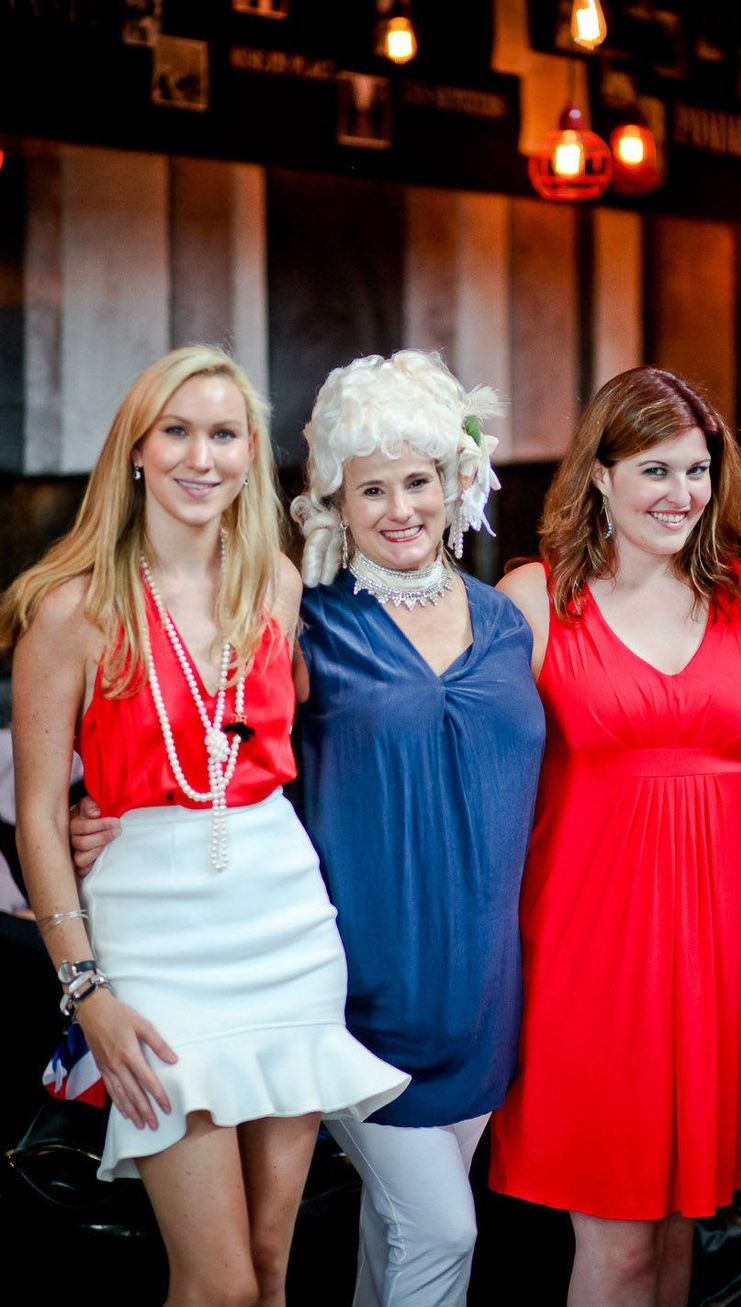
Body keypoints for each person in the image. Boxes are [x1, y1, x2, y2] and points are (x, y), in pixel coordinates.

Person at [73, 348, 546, 1307]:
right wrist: (108, 810)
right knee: (441, 1231)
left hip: (485, 996)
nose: (400, 508)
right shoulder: (304, 619)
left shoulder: (508, 624)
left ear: (457, 482)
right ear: (333, 499)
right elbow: (214, 736)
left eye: (418, 481)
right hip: (348, 989)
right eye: (372, 488)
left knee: (396, 1235)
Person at [1, 345, 408, 1307]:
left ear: (249, 454)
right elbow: (39, 820)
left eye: (224, 434)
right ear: (137, 450)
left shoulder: (275, 583)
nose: (201, 456)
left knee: (269, 1267)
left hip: (285, 918)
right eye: (177, 431)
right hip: (152, 936)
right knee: (217, 1280)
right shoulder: (71, 610)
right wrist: (87, 992)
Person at [490, 366, 741, 1307]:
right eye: (655, 470)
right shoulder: (533, 598)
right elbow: (459, 759)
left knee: (677, 1231)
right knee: (616, 1245)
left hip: (724, 955)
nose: (681, 494)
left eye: (698, 470)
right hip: (592, 956)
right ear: (601, 473)